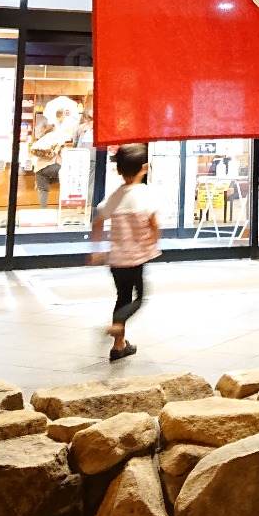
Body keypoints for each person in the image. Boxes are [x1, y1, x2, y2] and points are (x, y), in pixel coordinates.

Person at [90, 143, 160, 362]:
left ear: (118, 170)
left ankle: (119, 345)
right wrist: (154, 242)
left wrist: (97, 249)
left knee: (122, 296)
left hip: (116, 259)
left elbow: (98, 221)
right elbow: (154, 223)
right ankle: (117, 324)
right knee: (140, 298)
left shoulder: (115, 196)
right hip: (136, 258)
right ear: (145, 168)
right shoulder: (145, 194)